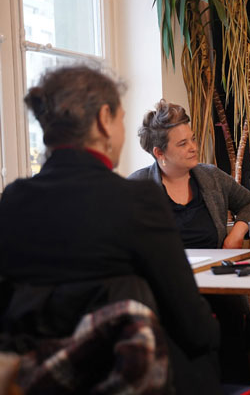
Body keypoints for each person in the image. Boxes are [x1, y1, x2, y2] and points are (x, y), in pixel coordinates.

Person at [0, 66, 221, 395]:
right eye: (120, 119)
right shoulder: (137, 201)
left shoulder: (12, 200)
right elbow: (195, 330)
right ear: (105, 119)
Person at [129, 99, 250, 250]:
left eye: (193, 139)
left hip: (215, 265)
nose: (193, 147)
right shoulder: (135, 188)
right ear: (159, 153)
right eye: (183, 144)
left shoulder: (212, 176)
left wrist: (236, 234)